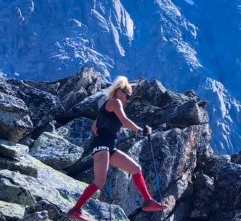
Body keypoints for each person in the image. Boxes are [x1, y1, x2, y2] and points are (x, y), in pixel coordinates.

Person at [67, 76, 168, 220]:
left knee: (135, 169)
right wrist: (140, 131)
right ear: (119, 91)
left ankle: (147, 201)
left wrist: (104, 134)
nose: (128, 99)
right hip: (103, 146)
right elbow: (124, 121)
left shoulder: (107, 106)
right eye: (127, 95)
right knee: (100, 181)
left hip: (107, 146)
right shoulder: (115, 102)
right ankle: (75, 210)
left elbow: (94, 126)